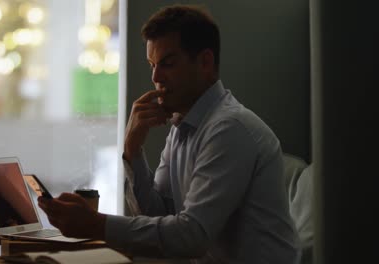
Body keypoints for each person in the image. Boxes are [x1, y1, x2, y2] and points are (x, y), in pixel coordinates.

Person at [38, 4, 299, 263]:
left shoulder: (229, 129)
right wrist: (132, 149)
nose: (155, 76)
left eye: (168, 63)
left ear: (205, 62)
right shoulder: (182, 128)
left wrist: (97, 225)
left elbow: (191, 236)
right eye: (152, 64)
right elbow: (156, 217)